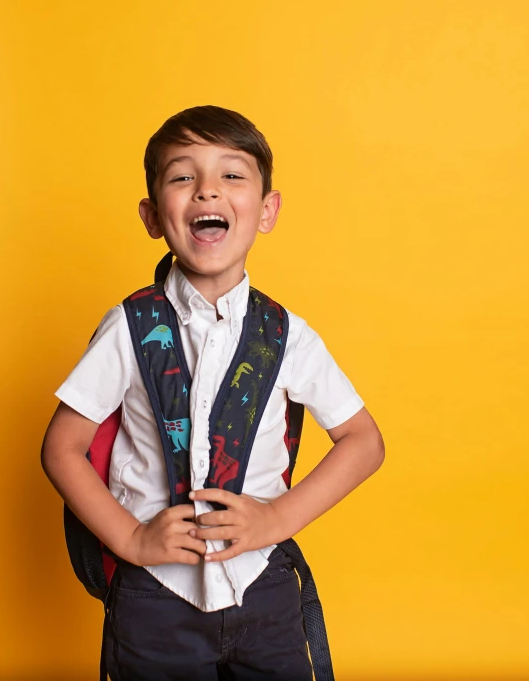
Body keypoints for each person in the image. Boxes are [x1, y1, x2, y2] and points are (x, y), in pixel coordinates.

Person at [42, 105, 385, 681]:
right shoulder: (130, 326)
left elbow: (363, 442)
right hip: (155, 596)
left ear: (267, 210)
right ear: (153, 216)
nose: (207, 191)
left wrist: (276, 521)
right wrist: (130, 537)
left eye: (231, 175)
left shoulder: (288, 335)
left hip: (264, 586)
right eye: (182, 177)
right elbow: (62, 447)